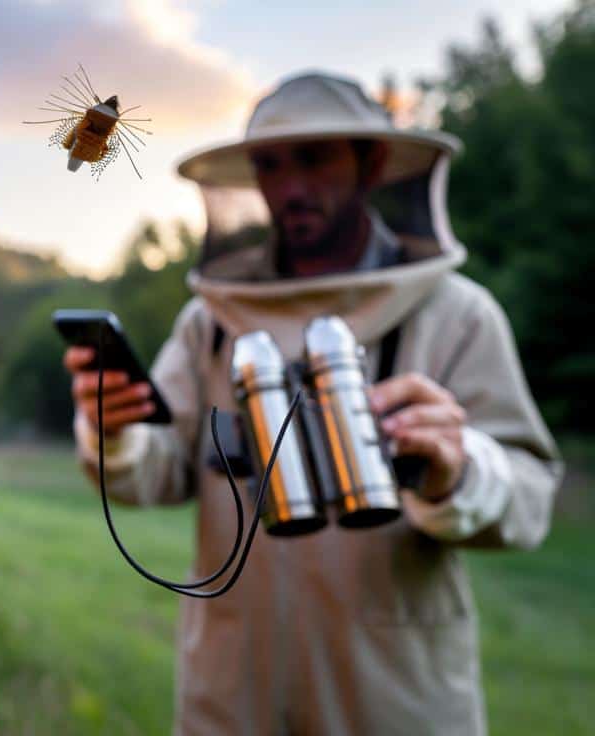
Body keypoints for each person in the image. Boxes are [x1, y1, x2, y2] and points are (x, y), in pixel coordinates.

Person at [65, 72, 562, 734]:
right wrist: (115, 430)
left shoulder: (458, 315)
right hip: (230, 693)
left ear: (371, 163)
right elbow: (156, 473)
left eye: (314, 158)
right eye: (270, 166)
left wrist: (459, 467)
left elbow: (530, 497)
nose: (291, 187)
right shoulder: (209, 322)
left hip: (394, 696)